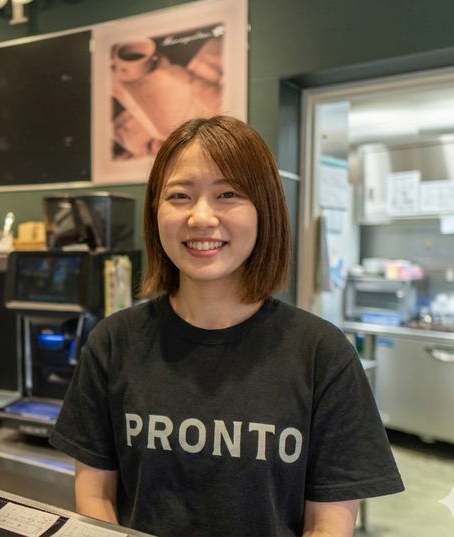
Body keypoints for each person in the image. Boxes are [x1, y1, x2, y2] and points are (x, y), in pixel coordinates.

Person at [49, 116, 404, 536]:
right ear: (155, 211)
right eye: (179, 195)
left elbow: (328, 525)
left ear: (265, 210)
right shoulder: (113, 342)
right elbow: (96, 496)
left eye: (228, 194)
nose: (201, 217)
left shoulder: (322, 354)